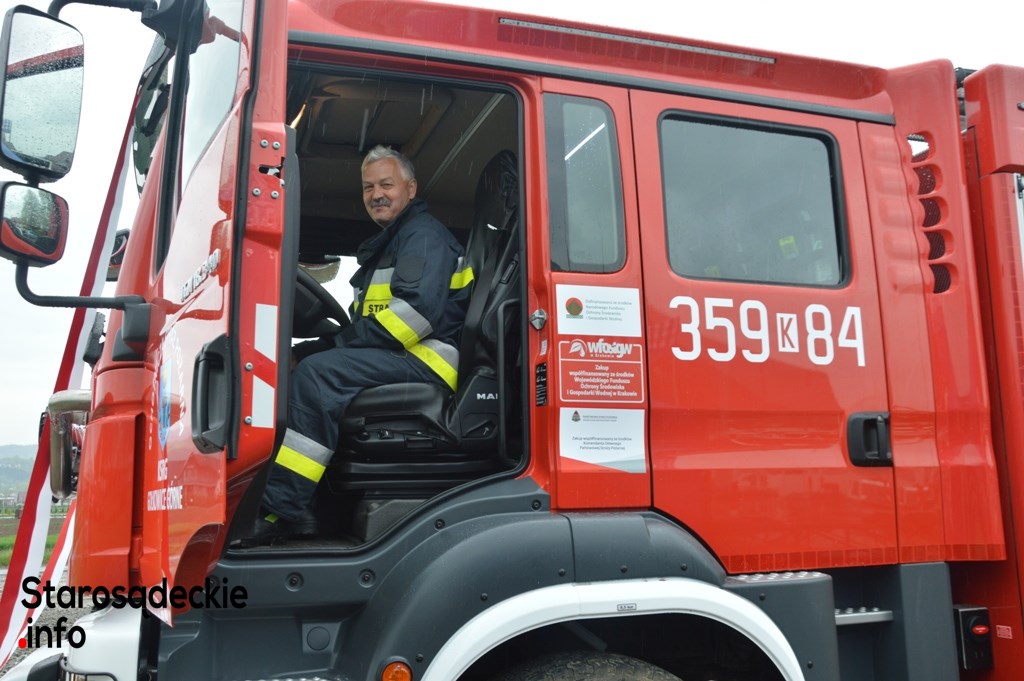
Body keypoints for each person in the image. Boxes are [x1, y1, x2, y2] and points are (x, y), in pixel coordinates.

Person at [241, 145, 473, 546]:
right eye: (368, 187)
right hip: (400, 353)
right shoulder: (392, 242)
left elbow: (413, 319)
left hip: (426, 359)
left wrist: (329, 351)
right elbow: (365, 328)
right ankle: (312, 506)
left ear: (410, 189)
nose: (376, 194)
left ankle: (279, 510)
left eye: (386, 184)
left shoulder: (422, 237)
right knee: (301, 364)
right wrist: (307, 350)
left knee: (317, 378)